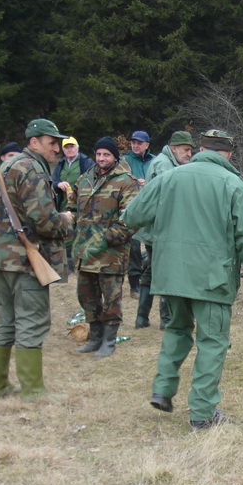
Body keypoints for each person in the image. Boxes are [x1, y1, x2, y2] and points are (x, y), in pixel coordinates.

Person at [123, 130, 243, 431]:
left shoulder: (169, 177)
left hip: (172, 274)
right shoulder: (234, 185)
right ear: (228, 154)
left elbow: (133, 215)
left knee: (177, 329)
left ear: (201, 149)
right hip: (212, 279)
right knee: (212, 343)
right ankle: (202, 414)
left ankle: (162, 389)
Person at [0, 118, 75, 401]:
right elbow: (44, 220)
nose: (57, 149)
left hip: (1, 256)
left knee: (7, 321)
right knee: (31, 321)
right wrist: (68, 220)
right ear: (34, 142)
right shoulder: (31, 168)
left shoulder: (10, 165)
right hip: (24, 258)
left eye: (58, 144)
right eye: (51, 143)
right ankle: (33, 390)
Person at [71, 136, 139, 357]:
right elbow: (72, 208)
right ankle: (95, 337)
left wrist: (108, 238)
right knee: (88, 298)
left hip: (111, 255)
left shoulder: (125, 181)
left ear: (115, 157)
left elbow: (130, 218)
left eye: (106, 154)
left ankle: (109, 342)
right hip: (85, 252)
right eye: (99, 154)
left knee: (111, 300)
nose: (101, 158)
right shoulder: (84, 179)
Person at [136, 131, 196, 330]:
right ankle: (166, 319)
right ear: (174, 148)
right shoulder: (164, 165)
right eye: (186, 150)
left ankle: (142, 318)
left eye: (190, 150)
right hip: (161, 231)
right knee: (165, 273)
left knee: (151, 271)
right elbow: (166, 200)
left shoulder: (168, 162)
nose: (189, 154)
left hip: (156, 230)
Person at [125, 130, 154, 297]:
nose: (135, 145)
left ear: (147, 145)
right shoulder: (125, 160)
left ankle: (150, 278)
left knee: (151, 244)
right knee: (134, 246)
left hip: (150, 208)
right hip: (132, 206)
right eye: (133, 142)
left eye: (139, 143)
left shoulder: (155, 161)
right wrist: (135, 182)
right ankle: (134, 284)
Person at [51, 136, 94, 211]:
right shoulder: (60, 164)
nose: (69, 150)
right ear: (63, 150)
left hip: (81, 206)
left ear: (77, 147)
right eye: (66, 147)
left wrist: (76, 193)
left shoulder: (87, 162)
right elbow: (51, 181)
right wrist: (58, 184)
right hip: (63, 206)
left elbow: (94, 182)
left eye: (72, 146)